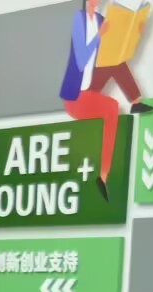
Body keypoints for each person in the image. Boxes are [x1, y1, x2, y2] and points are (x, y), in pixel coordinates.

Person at [60, 0, 122, 199]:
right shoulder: (79, 20)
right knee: (112, 108)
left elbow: (112, 50)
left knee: (118, 66)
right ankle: (103, 174)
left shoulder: (101, 19)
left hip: (91, 87)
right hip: (75, 95)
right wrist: (99, 36)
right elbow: (81, 57)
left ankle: (136, 100)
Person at [89, 0, 153, 116]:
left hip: (110, 47)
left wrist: (137, 30)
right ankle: (89, 98)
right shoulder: (89, 15)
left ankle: (135, 102)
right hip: (100, 50)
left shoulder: (103, 9)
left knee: (117, 65)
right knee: (114, 66)